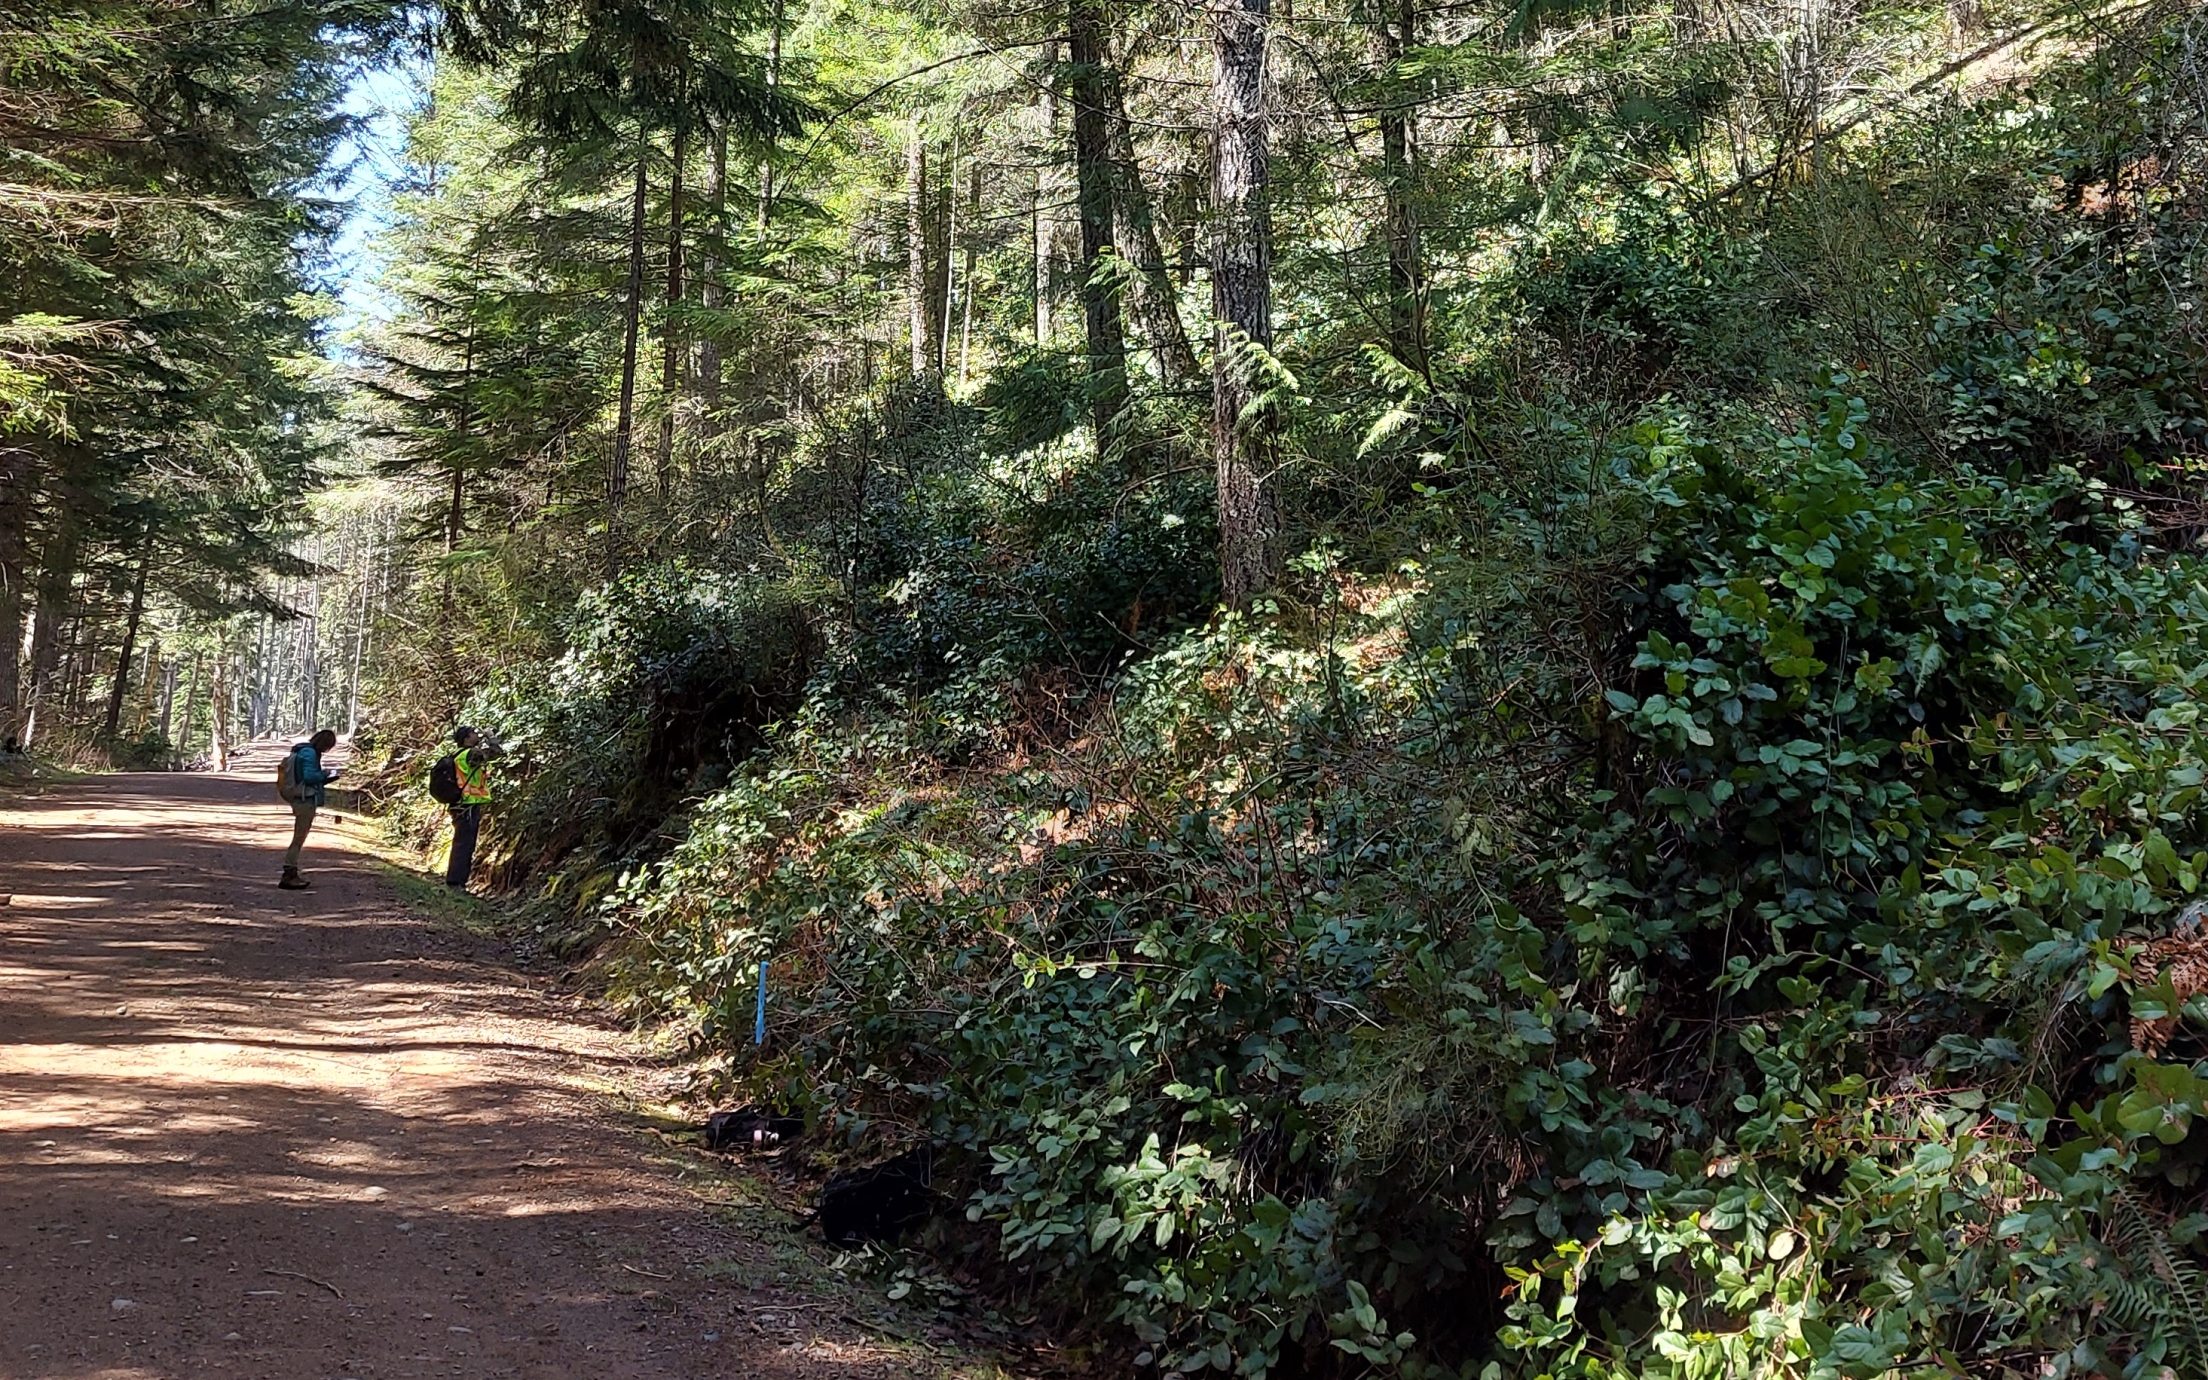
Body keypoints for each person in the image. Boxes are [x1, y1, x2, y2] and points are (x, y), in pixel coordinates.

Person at [279, 729, 342, 891]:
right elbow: (309, 777)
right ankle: (289, 874)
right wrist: (326, 773)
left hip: (302, 797)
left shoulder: (303, 750)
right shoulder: (310, 754)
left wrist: (325, 778)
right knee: (298, 838)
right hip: (304, 800)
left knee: (299, 837)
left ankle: (290, 873)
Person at [446, 724, 504, 889]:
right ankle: (456, 883)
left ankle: (456, 881)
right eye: (472, 733)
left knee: (463, 842)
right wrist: (490, 737)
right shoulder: (469, 754)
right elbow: (496, 753)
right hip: (466, 805)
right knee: (464, 843)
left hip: (462, 804)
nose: (476, 734)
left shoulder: (460, 755)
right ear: (466, 738)